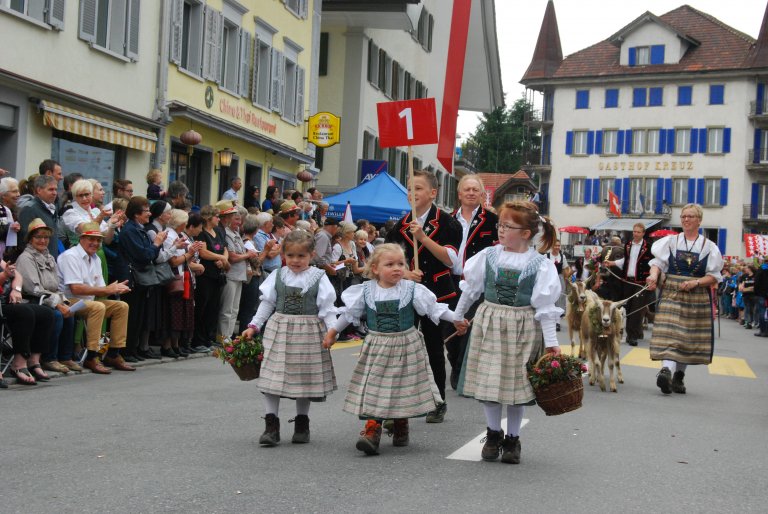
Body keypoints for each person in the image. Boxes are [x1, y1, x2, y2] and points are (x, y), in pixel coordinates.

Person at [452, 201, 562, 464]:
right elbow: (471, 290)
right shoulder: (488, 256)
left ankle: (512, 439)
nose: (500, 230)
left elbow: (546, 308)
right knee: (490, 384)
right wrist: (458, 315)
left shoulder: (540, 264)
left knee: (517, 388)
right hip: (489, 322)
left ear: (526, 233)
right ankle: (493, 434)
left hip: (523, 327)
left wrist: (552, 343)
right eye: (499, 225)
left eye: (507, 226)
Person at [323, 244, 456, 455]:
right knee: (375, 386)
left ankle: (400, 422)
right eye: (390, 264)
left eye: (401, 264)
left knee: (401, 385)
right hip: (377, 345)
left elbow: (434, 309)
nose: (397, 268)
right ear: (375, 268)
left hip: (406, 344)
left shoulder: (411, 289)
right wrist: (333, 332)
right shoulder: (366, 291)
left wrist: (456, 319)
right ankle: (372, 429)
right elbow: (350, 315)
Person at [241, 230, 338, 446]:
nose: (295, 260)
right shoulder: (278, 275)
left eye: (301, 256)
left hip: (308, 332)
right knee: (271, 378)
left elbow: (328, 309)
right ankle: (271, 425)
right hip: (279, 330)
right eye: (291, 255)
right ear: (284, 254)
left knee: (302, 379)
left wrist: (332, 331)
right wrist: (254, 326)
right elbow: (267, 303)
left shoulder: (319, 277)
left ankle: (302, 423)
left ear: (311, 255)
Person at [385, 169, 462, 423]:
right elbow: (386, 259)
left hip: (438, 293)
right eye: (409, 188)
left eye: (417, 188)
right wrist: (405, 272)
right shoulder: (400, 225)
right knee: (401, 346)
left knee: (433, 347)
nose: (412, 193)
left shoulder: (448, 222)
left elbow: (450, 259)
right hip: (407, 293)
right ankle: (401, 401)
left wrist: (423, 237)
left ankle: (437, 400)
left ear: (432, 193)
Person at [646, 204, 723, 395]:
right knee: (670, 332)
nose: (686, 220)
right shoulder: (671, 241)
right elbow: (657, 263)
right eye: (683, 216)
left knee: (686, 338)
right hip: (672, 291)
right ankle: (666, 371)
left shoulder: (709, 246)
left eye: (690, 216)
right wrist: (653, 277)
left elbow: (714, 276)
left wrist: (696, 283)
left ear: (699, 220)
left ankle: (678, 376)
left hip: (696, 295)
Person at [58, 222, 134, 374]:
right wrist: (108, 289)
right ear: (81, 239)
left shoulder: (96, 259)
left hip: (87, 300)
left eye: (98, 240)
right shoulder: (70, 256)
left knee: (121, 306)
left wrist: (116, 288)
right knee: (98, 307)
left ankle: (113, 353)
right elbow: (76, 288)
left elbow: (100, 289)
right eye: (91, 239)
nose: (95, 243)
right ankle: (92, 356)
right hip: (69, 301)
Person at [449, 174, 498, 389]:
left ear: (482, 195)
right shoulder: (446, 220)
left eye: (474, 190)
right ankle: (455, 363)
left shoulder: (493, 221)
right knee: (449, 329)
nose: (470, 193)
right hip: (449, 282)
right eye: (466, 189)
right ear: (459, 194)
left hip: (477, 285)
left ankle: (462, 371)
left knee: (469, 328)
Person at [15, 219, 80, 374]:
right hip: (32, 300)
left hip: (50, 298)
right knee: (56, 315)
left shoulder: (49, 257)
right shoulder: (26, 258)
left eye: (46, 237)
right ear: (30, 238)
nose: (43, 240)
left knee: (69, 313)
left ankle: (65, 356)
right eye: (38, 237)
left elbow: (57, 285)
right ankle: (48, 358)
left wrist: (63, 301)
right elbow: (34, 288)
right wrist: (57, 304)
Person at [119, 196, 167, 362]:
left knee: (139, 316)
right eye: (146, 210)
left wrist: (154, 246)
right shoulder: (130, 231)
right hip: (133, 277)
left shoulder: (139, 229)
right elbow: (144, 255)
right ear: (136, 214)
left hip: (141, 278)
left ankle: (134, 349)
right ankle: (127, 350)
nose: (149, 214)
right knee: (133, 315)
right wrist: (157, 243)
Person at [0, 258, 56, 385]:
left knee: (46, 313)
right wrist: (4, 275)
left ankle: (33, 362)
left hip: (8, 303)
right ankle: (19, 364)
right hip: (2, 306)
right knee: (24, 313)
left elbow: (17, 275)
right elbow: (6, 274)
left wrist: (16, 289)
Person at [604, 223, 653, 346]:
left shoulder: (648, 247)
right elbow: (624, 261)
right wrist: (612, 263)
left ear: (643, 233)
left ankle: (632, 336)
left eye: (638, 232)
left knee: (637, 309)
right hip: (627, 281)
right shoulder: (628, 245)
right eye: (634, 231)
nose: (635, 234)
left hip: (640, 282)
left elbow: (653, 263)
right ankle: (630, 333)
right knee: (629, 307)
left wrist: (653, 278)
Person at [165, 209, 205, 356]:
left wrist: (191, 252)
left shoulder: (180, 234)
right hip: (175, 277)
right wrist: (190, 253)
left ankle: (178, 344)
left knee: (183, 312)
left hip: (185, 275)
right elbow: (174, 261)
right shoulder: (170, 235)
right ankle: (170, 345)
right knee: (174, 313)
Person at [191, 205, 229, 350]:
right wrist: (220, 257)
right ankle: (198, 340)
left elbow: (225, 249)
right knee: (202, 306)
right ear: (208, 218)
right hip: (205, 274)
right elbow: (203, 252)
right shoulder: (202, 233)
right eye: (216, 216)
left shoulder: (218, 231)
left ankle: (208, 338)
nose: (218, 219)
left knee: (213, 308)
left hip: (217, 275)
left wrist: (224, 259)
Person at [218, 200, 256, 340]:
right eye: (236, 219)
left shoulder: (236, 233)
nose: (239, 222)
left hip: (239, 275)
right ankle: (222, 336)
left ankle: (228, 336)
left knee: (234, 309)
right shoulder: (227, 233)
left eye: (240, 219)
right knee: (227, 308)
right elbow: (232, 257)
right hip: (231, 274)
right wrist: (248, 254)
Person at [18, 174, 61, 257]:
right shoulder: (29, 209)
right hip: (36, 263)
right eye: (51, 189)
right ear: (39, 190)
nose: (55, 193)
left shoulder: (52, 208)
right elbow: (24, 240)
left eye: (56, 189)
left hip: (50, 262)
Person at [546, 239, 568, 331]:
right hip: (549, 279)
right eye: (556, 245)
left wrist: (567, 278)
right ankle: (550, 321)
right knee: (550, 300)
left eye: (559, 245)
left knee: (559, 300)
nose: (557, 247)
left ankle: (557, 323)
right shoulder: (546, 256)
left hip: (559, 279)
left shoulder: (562, 257)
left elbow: (565, 269)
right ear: (552, 246)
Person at [0, 177, 21, 260]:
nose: (18, 194)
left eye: (18, 191)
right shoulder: (2, 211)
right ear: (3, 195)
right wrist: (9, 227)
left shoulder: (19, 211)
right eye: (14, 191)